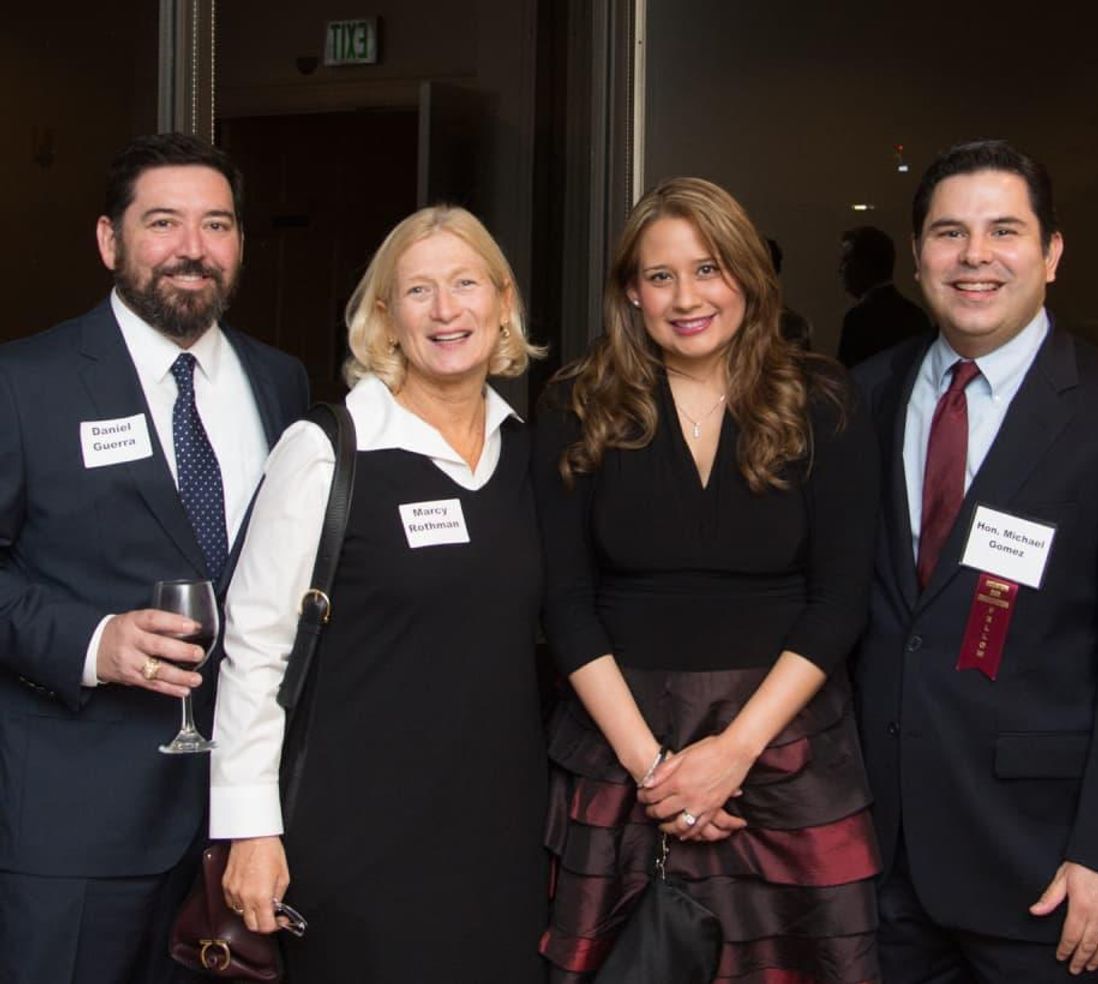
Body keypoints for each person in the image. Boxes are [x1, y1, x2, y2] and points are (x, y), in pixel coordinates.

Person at [852, 139, 1098, 983]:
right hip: (879, 864)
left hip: (1044, 873)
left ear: (1050, 254)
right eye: (948, 233)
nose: (975, 256)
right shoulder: (862, 395)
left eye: (1004, 230)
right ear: (920, 256)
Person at [535, 177, 880, 983]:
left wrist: (733, 752)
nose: (686, 297)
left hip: (784, 747)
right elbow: (565, 601)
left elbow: (840, 600)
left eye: (710, 269)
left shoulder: (823, 400)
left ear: (749, 280)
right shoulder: (575, 404)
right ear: (631, 291)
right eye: (661, 276)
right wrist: (655, 770)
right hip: (621, 750)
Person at [0, 133, 310, 984]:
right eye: (163, 222)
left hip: (243, 826)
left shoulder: (282, 385)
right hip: (76, 825)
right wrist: (92, 641)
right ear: (110, 241)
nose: (192, 248)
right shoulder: (27, 384)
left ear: (240, 244)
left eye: (216, 225)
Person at [211, 205, 549, 982]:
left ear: (501, 302)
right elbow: (256, 648)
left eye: (465, 284)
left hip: (501, 836)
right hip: (355, 837)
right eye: (418, 290)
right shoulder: (327, 451)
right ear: (386, 319)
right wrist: (249, 830)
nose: (445, 309)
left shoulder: (526, 453)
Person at [836, 225, 930, 367]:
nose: (840, 269)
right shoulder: (916, 316)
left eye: (847, 261)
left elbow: (847, 382)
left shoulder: (859, 320)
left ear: (865, 265)